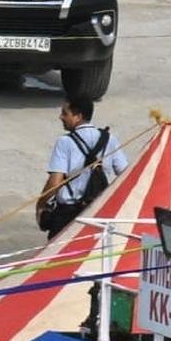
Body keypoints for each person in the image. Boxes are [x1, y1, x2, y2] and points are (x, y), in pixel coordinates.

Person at [36, 97, 127, 240]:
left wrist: (40, 205)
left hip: (67, 214)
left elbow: (55, 182)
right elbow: (126, 175)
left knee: (59, 257)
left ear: (78, 116)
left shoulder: (64, 142)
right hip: (97, 213)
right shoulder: (110, 139)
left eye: (65, 113)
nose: (61, 117)